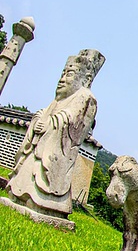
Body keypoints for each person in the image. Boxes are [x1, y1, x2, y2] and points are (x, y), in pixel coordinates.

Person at [6, 49, 103, 218]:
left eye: (69, 74)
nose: (62, 79)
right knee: (22, 182)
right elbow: (47, 114)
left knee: (40, 183)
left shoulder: (86, 97)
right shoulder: (59, 99)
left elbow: (73, 124)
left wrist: (50, 124)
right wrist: (40, 119)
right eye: (62, 74)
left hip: (52, 154)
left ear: (86, 79)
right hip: (37, 148)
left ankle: (44, 200)